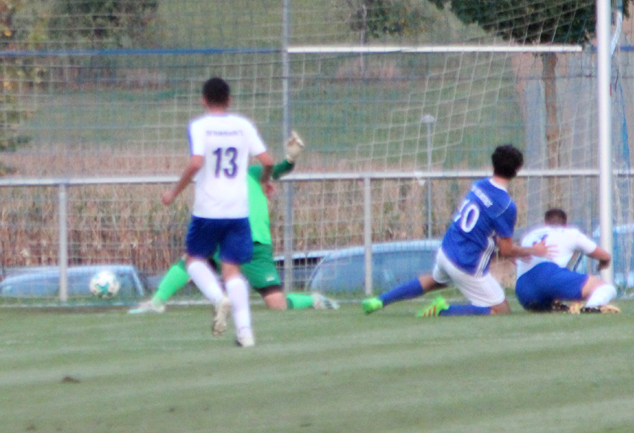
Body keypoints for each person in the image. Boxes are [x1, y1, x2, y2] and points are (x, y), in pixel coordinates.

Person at [132, 131, 338, 315]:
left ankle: (313, 300)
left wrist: (291, 158)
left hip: (257, 245)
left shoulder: (254, 174)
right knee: (191, 259)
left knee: (277, 305)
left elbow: (279, 169)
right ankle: (156, 302)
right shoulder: (213, 179)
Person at [362, 144, 552, 317]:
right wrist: (535, 250)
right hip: (467, 264)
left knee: (433, 281)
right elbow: (506, 250)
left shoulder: (479, 186)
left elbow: (485, 227)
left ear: (493, 164)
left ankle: (379, 300)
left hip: (447, 251)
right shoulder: (505, 205)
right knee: (500, 311)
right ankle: (443, 311)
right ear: (517, 170)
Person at [161, 77, 273, 347]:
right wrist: (265, 181)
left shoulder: (199, 126)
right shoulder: (243, 125)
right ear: (229, 100)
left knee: (194, 260)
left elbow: (197, 161)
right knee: (232, 270)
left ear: (203, 100)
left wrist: (174, 191)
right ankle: (245, 333)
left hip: (208, 209)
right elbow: (268, 161)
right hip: (237, 211)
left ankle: (217, 298)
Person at [515, 208, 618, 314]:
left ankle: (550, 303)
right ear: (565, 224)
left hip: (523, 289)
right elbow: (605, 256)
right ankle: (592, 307)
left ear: (545, 223)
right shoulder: (570, 233)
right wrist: (602, 263)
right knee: (605, 287)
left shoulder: (530, 235)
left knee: (555, 289)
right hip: (548, 275)